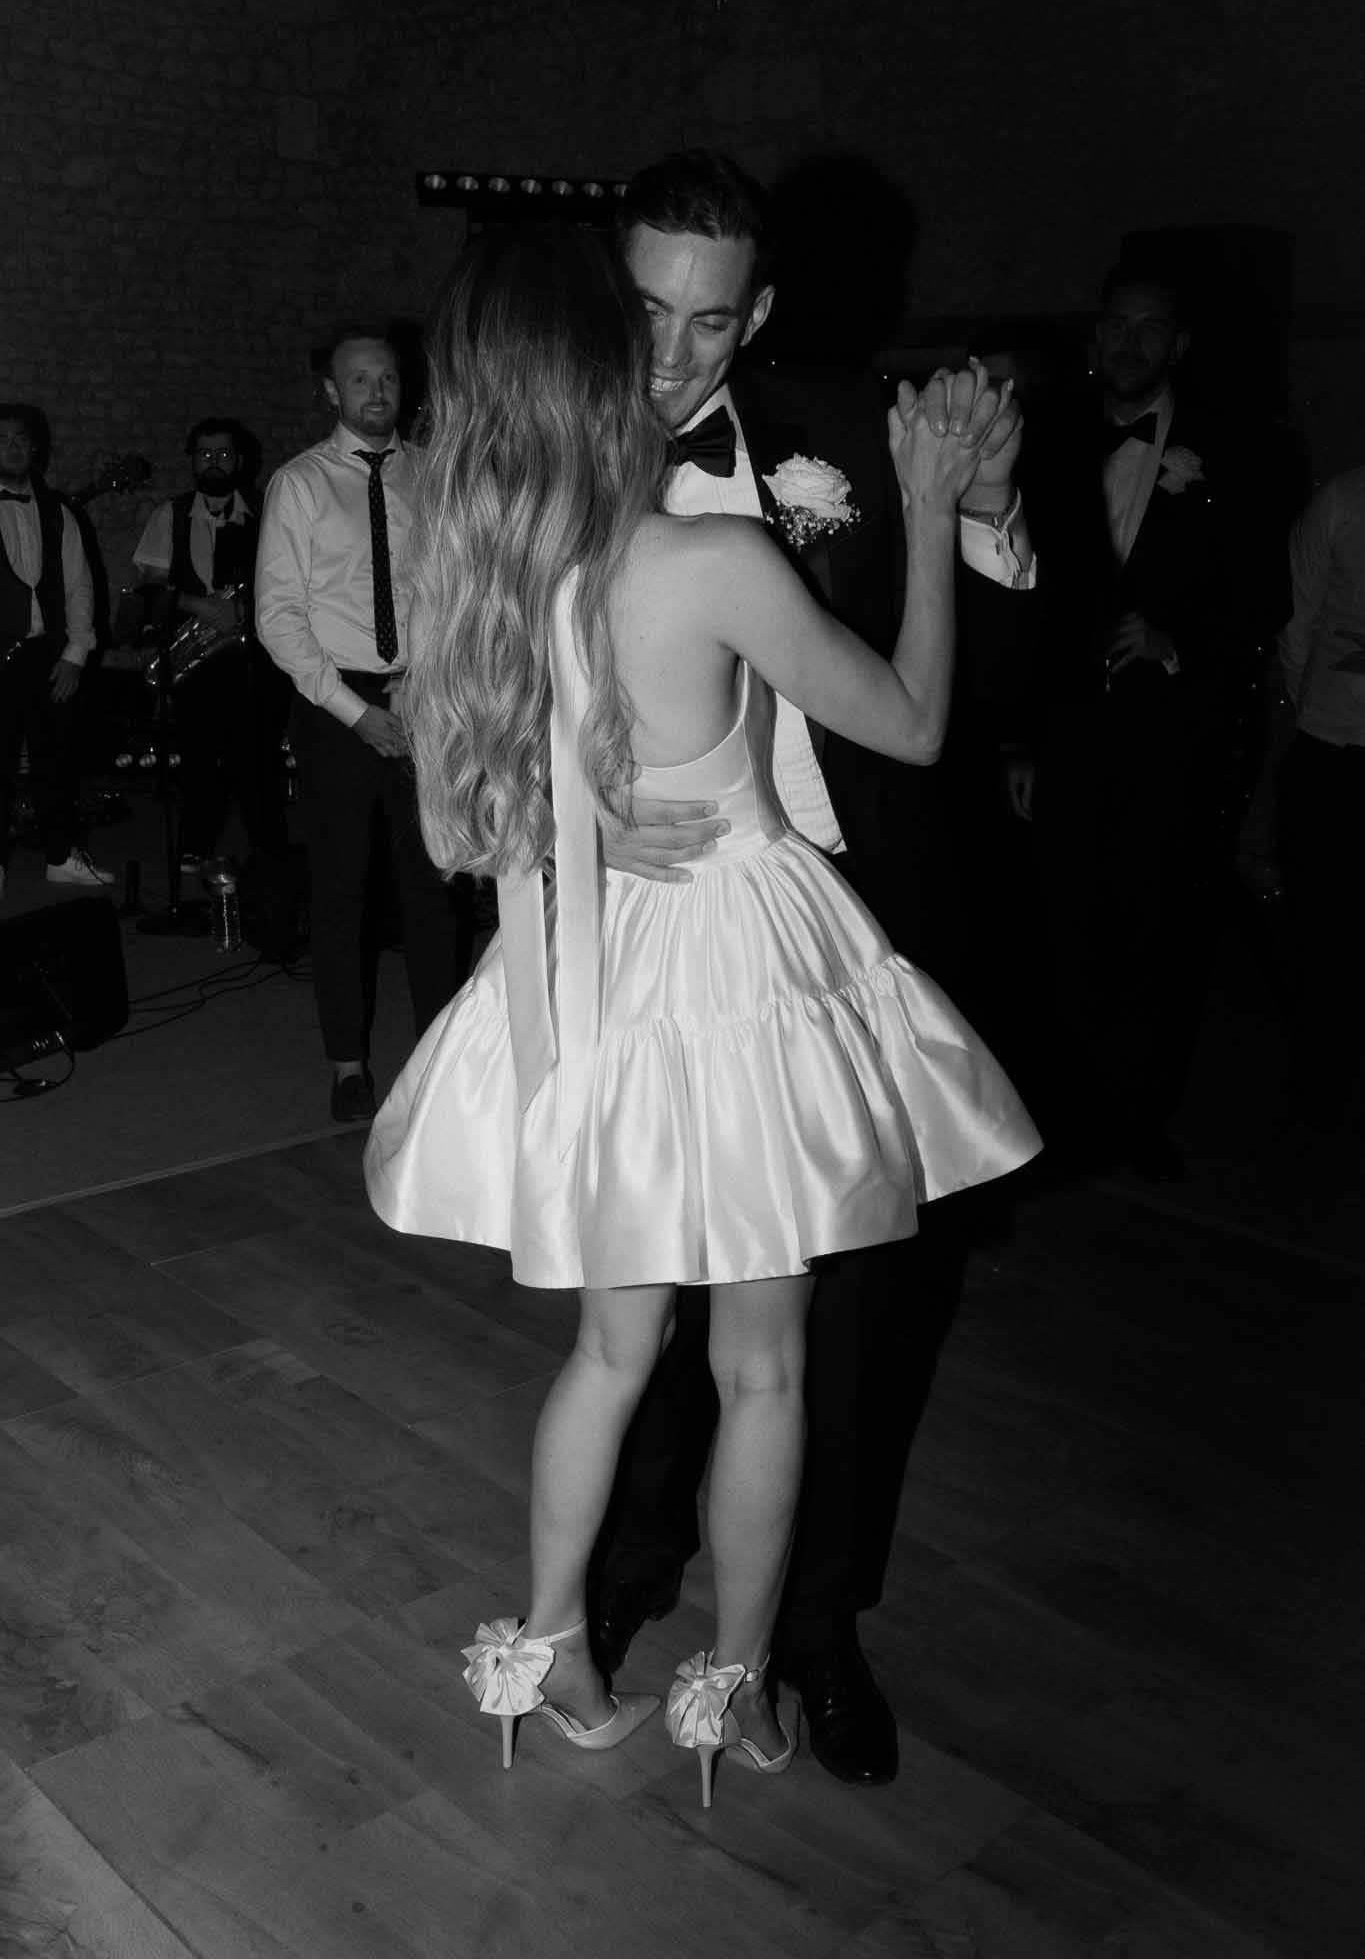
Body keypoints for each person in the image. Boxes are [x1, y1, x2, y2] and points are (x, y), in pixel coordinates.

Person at [364, 227, 1039, 1806]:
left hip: (598, 974)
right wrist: (924, 507)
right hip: (737, 978)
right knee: (766, 1371)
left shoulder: (486, 567)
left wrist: (584, 816)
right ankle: (730, 1691)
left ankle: (548, 1650)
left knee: (609, 1354)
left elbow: (464, 817)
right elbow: (914, 725)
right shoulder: (708, 560)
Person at [583, 151, 1040, 1790]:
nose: (673, 352)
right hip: (652, 930)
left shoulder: (851, 437)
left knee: (836, 1321)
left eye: (711, 320)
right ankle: (633, 1565)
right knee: (643, 1290)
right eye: (646, 310)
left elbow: (989, 687)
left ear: (760, 312)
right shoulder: (542, 446)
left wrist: (977, 514)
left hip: (846, 926)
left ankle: (810, 1630)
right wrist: (569, 826)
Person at [1021, 264, 1287, 1179]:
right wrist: (1018, 735)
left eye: (1149, 328)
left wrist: (1178, 642)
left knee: (1156, 931)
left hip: (1170, 734)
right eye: (1116, 324)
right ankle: (1058, 1119)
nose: (1129, 342)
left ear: (1177, 346)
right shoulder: (1050, 439)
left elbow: (1265, 596)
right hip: (1063, 732)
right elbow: (1018, 595)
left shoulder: (1238, 453)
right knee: (1059, 927)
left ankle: (1136, 1120)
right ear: (1095, 336)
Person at [255, 327, 469, 1123]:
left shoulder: (433, 475)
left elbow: (450, 592)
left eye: (387, 378)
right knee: (340, 891)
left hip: (421, 698)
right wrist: (355, 713)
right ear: (330, 392)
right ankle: (348, 1063)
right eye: (359, 380)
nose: (376, 392)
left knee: (434, 890)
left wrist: (425, 682)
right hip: (333, 705)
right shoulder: (300, 484)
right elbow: (279, 617)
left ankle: (443, 1057)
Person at [134, 417, 287, 869]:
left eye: (223, 454)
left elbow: (292, 578)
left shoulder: (269, 510)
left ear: (239, 460)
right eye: (204, 454)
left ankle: (270, 855)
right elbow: (151, 585)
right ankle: (194, 846)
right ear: (192, 460)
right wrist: (197, 605)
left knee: (259, 760)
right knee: (198, 760)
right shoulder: (170, 515)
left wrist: (245, 609)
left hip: (256, 655)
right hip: (197, 657)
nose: (213, 462)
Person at [1277, 464, 1365, 1134]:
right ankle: (1319, 1090)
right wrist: (1308, 715)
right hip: (1331, 749)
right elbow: (1296, 623)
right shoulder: (1341, 499)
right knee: (1322, 931)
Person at [0, 403, 112, 899]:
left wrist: (75, 654)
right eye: (1, 439)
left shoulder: (59, 511)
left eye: (21, 439)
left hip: (47, 655)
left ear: (36, 447)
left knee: (57, 759)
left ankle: (61, 856)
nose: (12, 448)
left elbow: (79, 586)